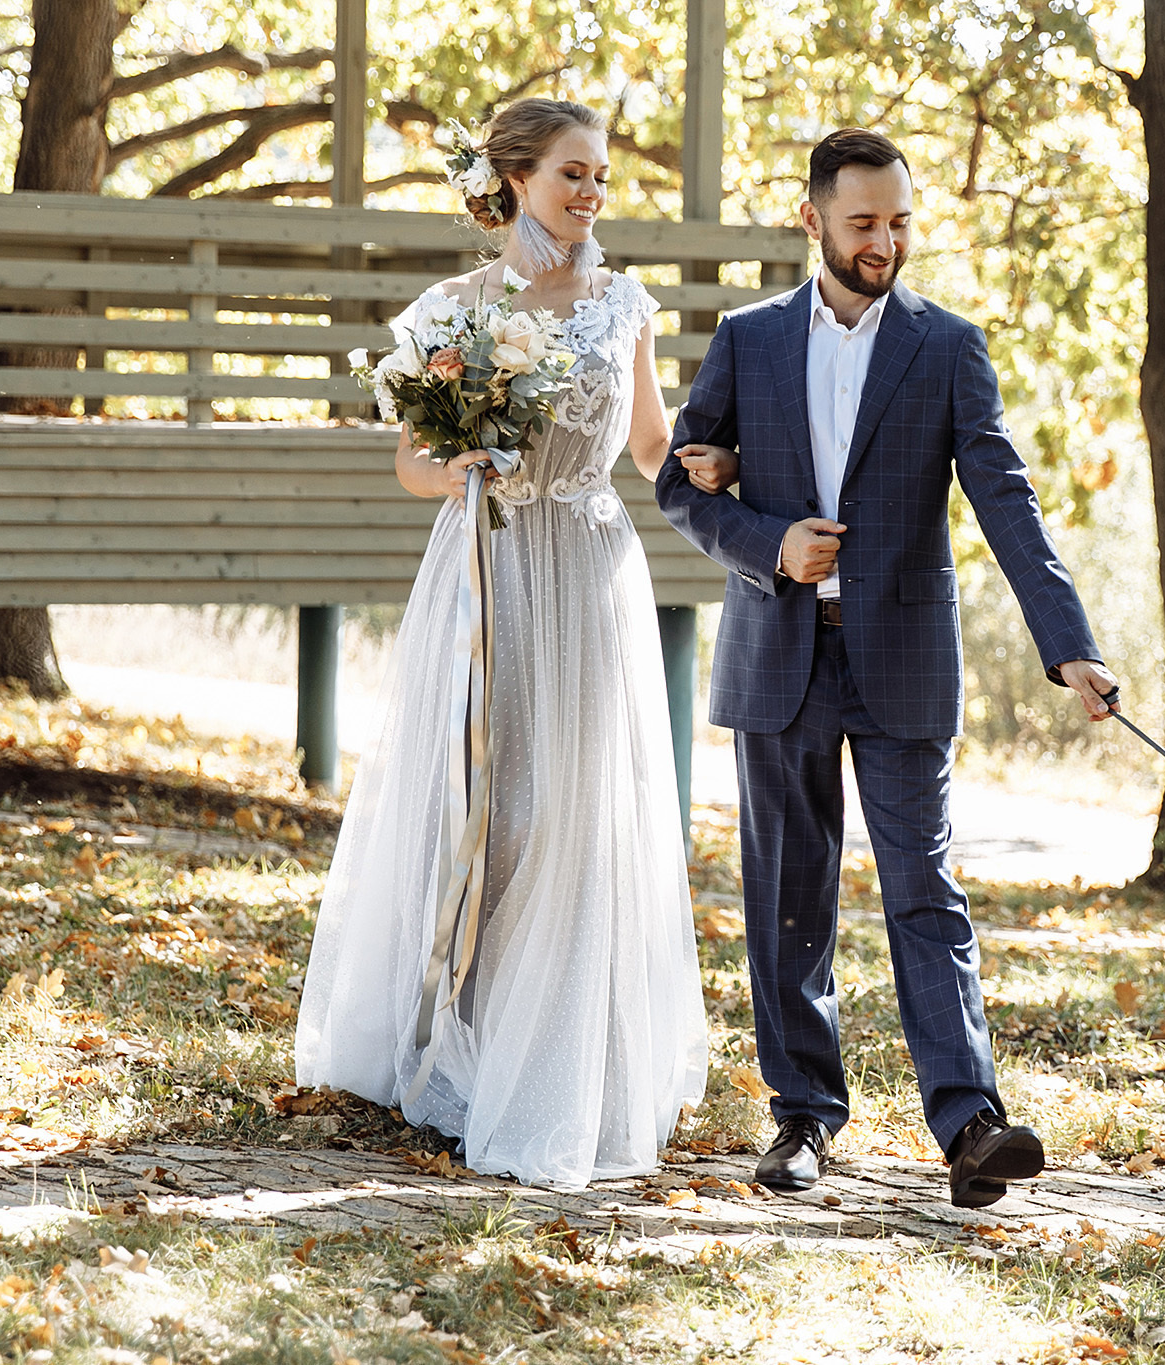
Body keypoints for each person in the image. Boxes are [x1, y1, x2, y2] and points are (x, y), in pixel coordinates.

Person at [655, 127, 1119, 1210]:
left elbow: (1006, 499)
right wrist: (769, 541)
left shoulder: (946, 346)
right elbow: (685, 488)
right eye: (863, 222)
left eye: (900, 221)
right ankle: (801, 1119)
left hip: (903, 660)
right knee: (787, 895)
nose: (885, 241)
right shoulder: (747, 338)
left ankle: (968, 1124)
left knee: (925, 890)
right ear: (810, 218)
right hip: (779, 653)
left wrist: (1070, 646)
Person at [295, 98, 726, 1188]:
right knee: (482, 799)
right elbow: (409, 462)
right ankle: (461, 1046)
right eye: (572, 174)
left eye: (601, 179)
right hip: (483, 564)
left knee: (567, 811)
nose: (590, 195)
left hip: (584, 566)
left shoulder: (624, 302)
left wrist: (714, 474)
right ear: (517, 179)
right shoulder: (453, 307)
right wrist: (462, 468)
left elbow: (647, 443)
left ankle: (560, 1058)